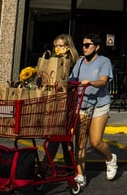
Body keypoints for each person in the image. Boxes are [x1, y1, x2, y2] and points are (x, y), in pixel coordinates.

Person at [70, 33, 118, 187]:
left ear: (96, 47)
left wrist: (90, 82)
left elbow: (103, 82)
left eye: (87, 45)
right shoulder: (79, 63)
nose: (84, 48)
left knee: (96, 142)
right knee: (80, 143)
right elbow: (71, 79)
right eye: (83, 45)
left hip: (99, 104)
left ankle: (110, 159)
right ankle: (80, 175)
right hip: (82, 103)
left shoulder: (104, 61)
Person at [45, 34, 79, 166]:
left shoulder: (73, 62)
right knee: (63, 137)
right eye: (56, 46)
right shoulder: (54, 61)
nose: (58, 48)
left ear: (68, 47)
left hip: (67, 101)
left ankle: (45, 166)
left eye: (61, 46)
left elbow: (71, 80)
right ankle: (70, 166)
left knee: (57, 134)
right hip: (56, 100)